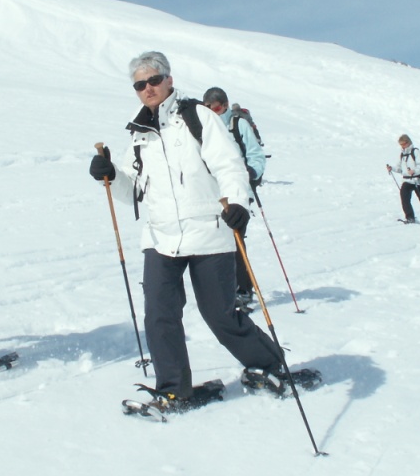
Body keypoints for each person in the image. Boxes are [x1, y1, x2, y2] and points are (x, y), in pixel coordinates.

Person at [89, 52, 309, 410]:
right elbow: (133, 192)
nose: (148, 88)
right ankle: (173, 389)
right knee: (159, 316)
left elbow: (229, 164)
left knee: (220, 314)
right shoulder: (139, 134)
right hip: (160, 236)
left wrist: (237, 202)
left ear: (169, 80)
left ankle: (271, 367)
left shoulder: (198, 116)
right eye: (140, 84)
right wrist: (111, 176)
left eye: (154, 80)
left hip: (208, 229)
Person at [202, 86, 266, 309]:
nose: (213, 113)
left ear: (225, 105)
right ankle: (224, 288)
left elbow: (256, 155)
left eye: (216, 109)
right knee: (216, 241)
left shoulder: (238, 125)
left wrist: (250, 173)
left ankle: (244, 290)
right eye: (208, 109)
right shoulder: (204, 126)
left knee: (236, 240)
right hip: (212, 192)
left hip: (237, 192)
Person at [386, 134, 420, 227]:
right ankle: (410, 217)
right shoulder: (403, 154)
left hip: (418, 180)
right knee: (404, 198)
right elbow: (400, 168)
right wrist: (392, 168)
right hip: (407, 180)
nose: (402, 146)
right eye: (401, 144)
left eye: (403, 144)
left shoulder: (415, 152)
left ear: (408, 142)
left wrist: (414, 171)